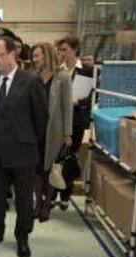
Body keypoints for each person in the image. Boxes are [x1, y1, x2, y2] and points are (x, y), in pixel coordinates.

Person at [0, 36, 48, 257]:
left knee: (24, 200)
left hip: (23, 153)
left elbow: (41, 118)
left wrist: (28, 140)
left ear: (12, 54)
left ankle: (22, 237)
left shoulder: (31, 81)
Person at [31, 42, 73, 222]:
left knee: (50, 169)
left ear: (46, 55)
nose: (34, 59)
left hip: (54, 131)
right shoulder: (32, 77)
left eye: (37, 55)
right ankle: (38, 203)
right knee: (36, 169)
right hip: (34, 131)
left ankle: (47, 203)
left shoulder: (62, 78)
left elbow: (67, 107)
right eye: (33, 56)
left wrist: (67, 134)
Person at [54, 35, 91, 211]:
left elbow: (91, 99)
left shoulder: (86, 71)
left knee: (68, 157)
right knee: (55, 157)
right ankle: (53, 193)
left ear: (75, 50)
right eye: (59, 50)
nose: (61, 53)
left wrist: (78, 102)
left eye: (65, 49)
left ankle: (65, 194)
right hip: (57, 122)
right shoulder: (56, 71)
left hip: (76, 122)